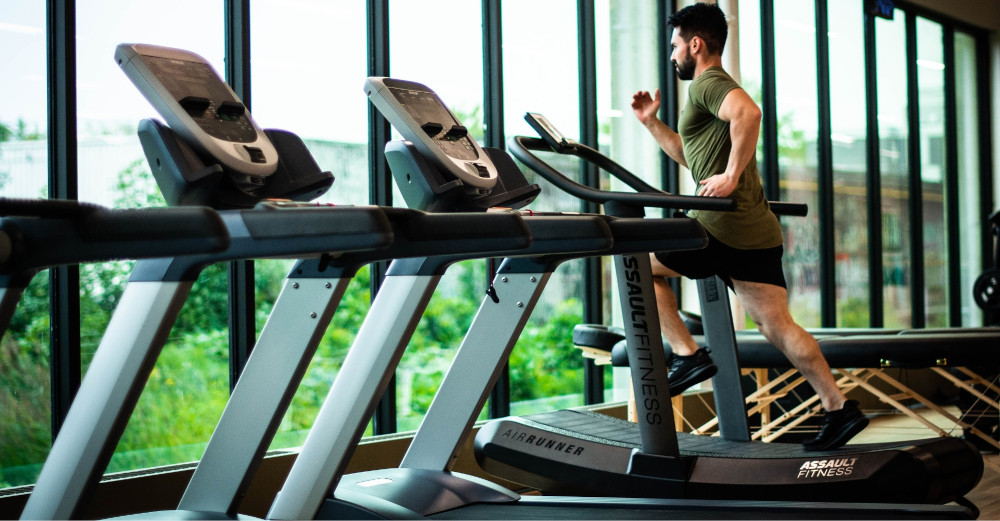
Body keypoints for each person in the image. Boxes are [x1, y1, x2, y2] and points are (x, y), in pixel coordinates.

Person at [630, 2, 867, 451]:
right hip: (755, 231)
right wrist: (652, 123)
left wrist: (732, 176)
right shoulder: (708, 92)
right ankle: (839, 408)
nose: (672, 55)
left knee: (636, 263)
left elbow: (750, 114)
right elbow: (691, 156)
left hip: (717, 227)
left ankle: (687, 355)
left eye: (675, 45)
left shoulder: (709, 84)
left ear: (695, 44)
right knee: (778, 326)